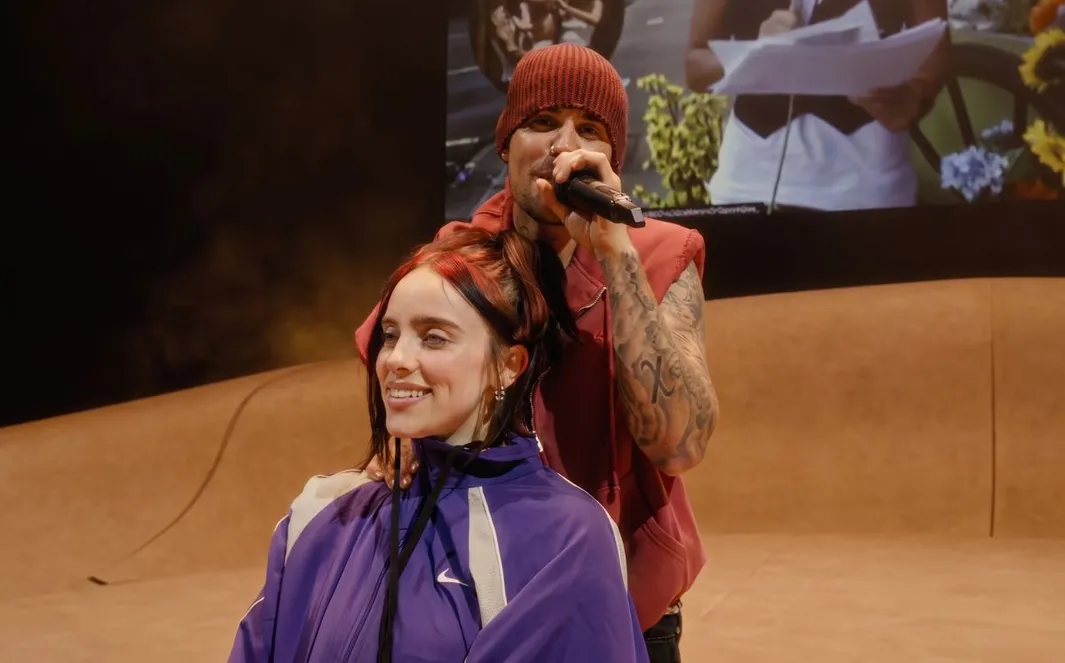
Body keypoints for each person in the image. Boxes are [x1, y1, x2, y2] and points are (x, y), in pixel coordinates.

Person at [355, 43, 720, 662]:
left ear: (611, 159)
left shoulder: (660, 253)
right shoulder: (462, 255)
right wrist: (401, 439)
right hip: (494, 595)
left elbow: (680, 445)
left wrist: (615, 252)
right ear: (506, 142)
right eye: (543, 122)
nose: (564, 145)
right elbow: (393, 361)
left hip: (627, 606)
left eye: (590, 130)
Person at [227, 227, 651, 663]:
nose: (396, 359)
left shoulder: (567, 538)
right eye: (390, 335)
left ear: (508, 365)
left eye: (434, 337)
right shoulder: (319, 511)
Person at [685, 0, 951, 212]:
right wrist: (755, 51)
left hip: (866, 183)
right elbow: (696, 67)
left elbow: (934, 57)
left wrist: (912, 99)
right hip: (748, 179)